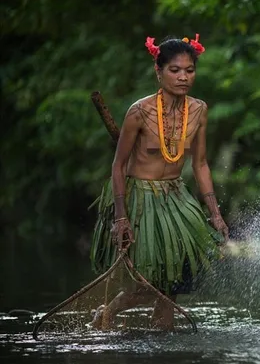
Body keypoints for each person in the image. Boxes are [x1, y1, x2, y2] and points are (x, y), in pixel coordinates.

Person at [89, 34, 229, 331]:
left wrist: (215, 213)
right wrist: (120, 217)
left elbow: (200, 163)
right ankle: (107, 313)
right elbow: (119, 165)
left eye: (189, 70)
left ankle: (162, 339)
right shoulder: (140, 111)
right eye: (174, 70)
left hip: (176, 198)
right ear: (159, 71)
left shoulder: (199, 110)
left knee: (176, 279)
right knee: (149, 281)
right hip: (140, 198)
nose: (183, 77)